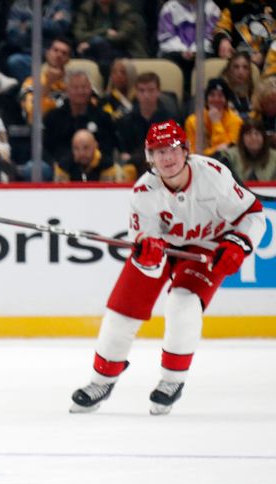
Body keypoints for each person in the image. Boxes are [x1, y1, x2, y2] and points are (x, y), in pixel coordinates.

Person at [70, 120, 265, 415]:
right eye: (159, 152)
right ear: (149, 157)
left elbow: (253, 215)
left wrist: (239, 244)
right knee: (121, 312)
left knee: (182, 304)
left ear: (186, 150)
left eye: (172, 149)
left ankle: (172, 380)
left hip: (207, 246)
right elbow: (145, 251)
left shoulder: (213, 176)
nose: (167, 158)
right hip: (164, 248)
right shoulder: (142, 193)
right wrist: (149, 257)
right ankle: (101, 380)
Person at [116, 72, 181, 179]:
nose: (146, 95)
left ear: (158, 92)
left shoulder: (170, 121)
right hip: (133, 172)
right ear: (136, 93)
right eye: (141, 91)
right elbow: (124, 153)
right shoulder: (126, 121)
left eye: (151, 90)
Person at [157, 0, 221, 96]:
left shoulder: (212, 8)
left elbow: (209, 38)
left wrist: (193, 51)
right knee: (170, 61)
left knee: (206, 61)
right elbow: (166, 38)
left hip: (202, 52)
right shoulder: (169, 7)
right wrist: (183, 50)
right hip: (175, 53)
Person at [72, 0, 148, 78]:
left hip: (125, 52)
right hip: (96, 54)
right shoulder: (87, 9)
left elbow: (123, 36)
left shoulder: (126, 10)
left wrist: (93, 43)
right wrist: (105, 32)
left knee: (103, 50)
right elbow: (79, 34)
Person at [5, 0, 72, 83]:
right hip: (30, 54)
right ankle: (32, 91)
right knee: (15, 61)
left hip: (55, 53)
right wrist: (50, 24)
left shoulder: (61, 2)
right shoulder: (19, 5)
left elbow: (61, 28)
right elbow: (13, 38)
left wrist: (28, 26)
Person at [212, 0, 276, 75]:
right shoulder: (234, 9)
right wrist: (223, 40)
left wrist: (264, 54)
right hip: (237, 62)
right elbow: (221, 29)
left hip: (268, 67)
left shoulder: (273, 10)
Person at [19, 36, 73, 124]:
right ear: (47, 53)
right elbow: (33, 114)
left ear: (68, 60)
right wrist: (49, 83)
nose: (59, 55)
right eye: (55, 50)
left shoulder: (74, 84)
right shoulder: (31, 82)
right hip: (42, 133)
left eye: (64, 53)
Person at [185, 77, 243, 156]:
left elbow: (227, 152)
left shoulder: (236, 121)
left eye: (220, 95)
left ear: (226, 100)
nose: (216, 99)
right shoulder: (193, 121)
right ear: (206, 98)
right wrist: (214, 150)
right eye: (212, 95)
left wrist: (216, 122)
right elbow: (192, 153)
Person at [54, 128, 127, 182]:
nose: (81, 153)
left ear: (95, 146)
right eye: (76, 148)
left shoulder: (110, 168)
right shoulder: (63, 167)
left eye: (86, 148)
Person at [220, 51, 256, 118]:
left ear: (249, 72)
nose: (241, 72)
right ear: (229, 71)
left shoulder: (255, 95)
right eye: (236, 67)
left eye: (245, 67)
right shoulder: (221, 94)